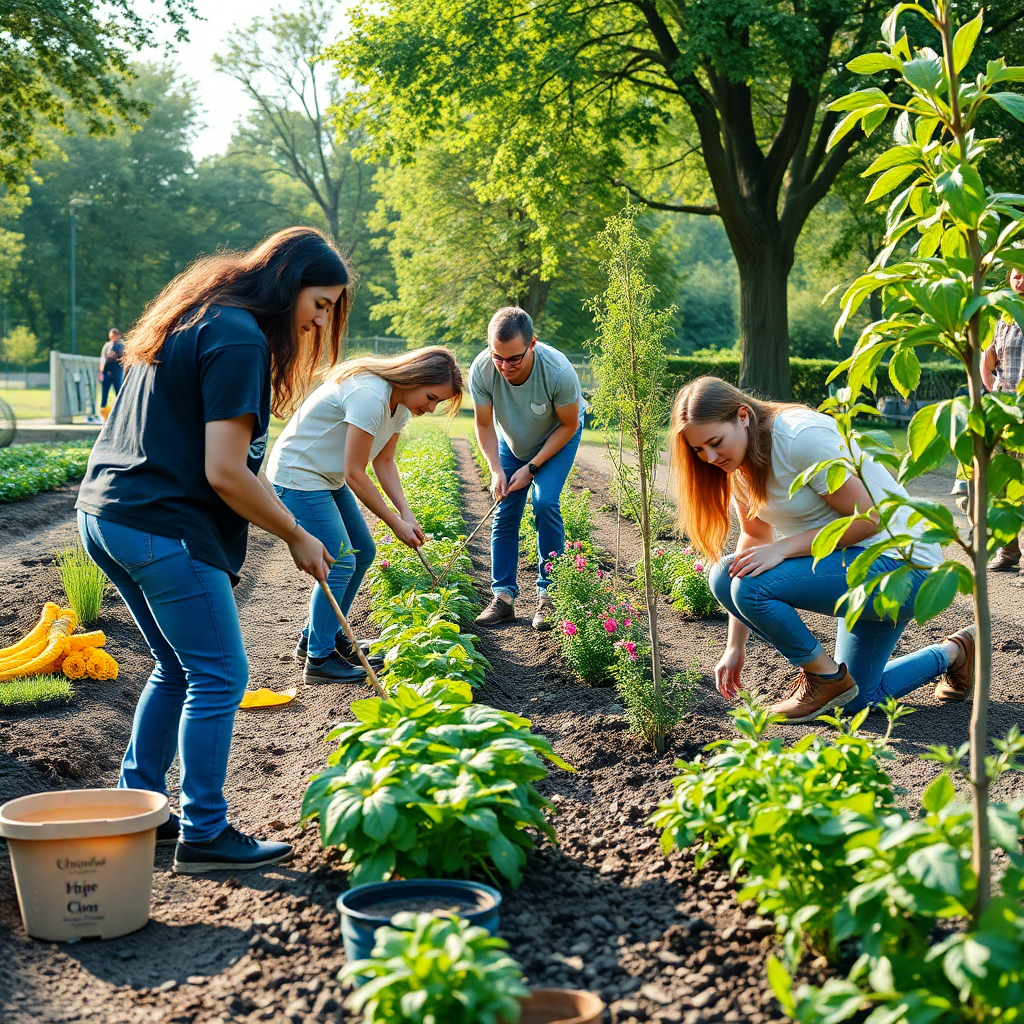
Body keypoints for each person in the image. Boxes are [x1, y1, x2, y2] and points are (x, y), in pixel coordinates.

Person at [76, 227, 346, 874]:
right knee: (221, 675)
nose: (320, 321)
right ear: (287, 283)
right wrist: (296, 534)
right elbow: (224, 471)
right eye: (320, 303)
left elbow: (231, 466)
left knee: (177, 667)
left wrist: (292, 529)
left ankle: (140, 808)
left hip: (108, 514)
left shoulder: (198, 313)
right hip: (161, 525)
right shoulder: (240, 338)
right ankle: (205, 832)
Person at [670, 376, 977, 723]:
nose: (710, 457)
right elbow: (754, 540)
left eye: (714, 443)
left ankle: (825, 679)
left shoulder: (799, 438)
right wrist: (734, 646)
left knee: (748, 586)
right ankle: (956, 652)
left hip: (904, 567)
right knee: (855, 701)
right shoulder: (738, 464)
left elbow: (869, 519)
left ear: (742, 416)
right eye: (699, 450)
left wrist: (783, 548)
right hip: (853, 567)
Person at [266, 348, 463, 683]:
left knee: (363, 552)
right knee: (341, 561)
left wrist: (405, 512)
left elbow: (383, 461)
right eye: (431, 397)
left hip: (326, 477)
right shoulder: (370, 396)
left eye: (437, 402)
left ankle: (319, 636)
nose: (431, 408)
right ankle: (319, 659)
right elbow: (355, 473)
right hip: (298, 476)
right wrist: (394, 523)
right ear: (414, 378)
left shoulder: (400, 406)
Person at [470, 307, 583, 630]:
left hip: (557, 436)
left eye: (514, 359)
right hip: (513, 439)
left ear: (532, 344)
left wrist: (532, 468)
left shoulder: (558, 371)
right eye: (498, 357)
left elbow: (568, 425)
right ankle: (503, 596)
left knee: (544, 501)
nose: (505, 366)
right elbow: (484, 424)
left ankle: (549, 595)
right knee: (505, 506)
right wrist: (496, 469)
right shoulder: (482, 369)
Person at [981, 268, 1024, 571]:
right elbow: (988, 357)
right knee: (1000, 481)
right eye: (1017, 275)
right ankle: (1008, 551)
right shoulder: (1003, 317)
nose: (1021, 281)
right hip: (1003, 412)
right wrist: (991, 388)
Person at [97, 327, 125, 408]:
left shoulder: (121, 346)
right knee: (105, 390)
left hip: (117, 370)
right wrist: (101, 371)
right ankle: (103, 407)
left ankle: (119, 408)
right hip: (107, 370)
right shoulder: (107, 345)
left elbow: (124, 359)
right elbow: (102, 358)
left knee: (118, 390)